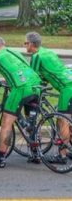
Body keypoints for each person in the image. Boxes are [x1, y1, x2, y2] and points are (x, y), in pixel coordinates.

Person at [0, 36, 42, 168]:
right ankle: (36, 154)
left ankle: (0, 158)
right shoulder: (14, 52)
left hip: (20, 89)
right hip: (35, 86)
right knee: (31, 121)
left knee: (6, 123)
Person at [26, 31, 72, 162]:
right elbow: (50, 71)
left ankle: (62, 155)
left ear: (31, 44)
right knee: (70, 120)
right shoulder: (48, 52)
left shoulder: (36, 56)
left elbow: (33, 78)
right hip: (70, 80)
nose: (25, 45)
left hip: (67, 88)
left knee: (62, 120)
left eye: (26, 43)